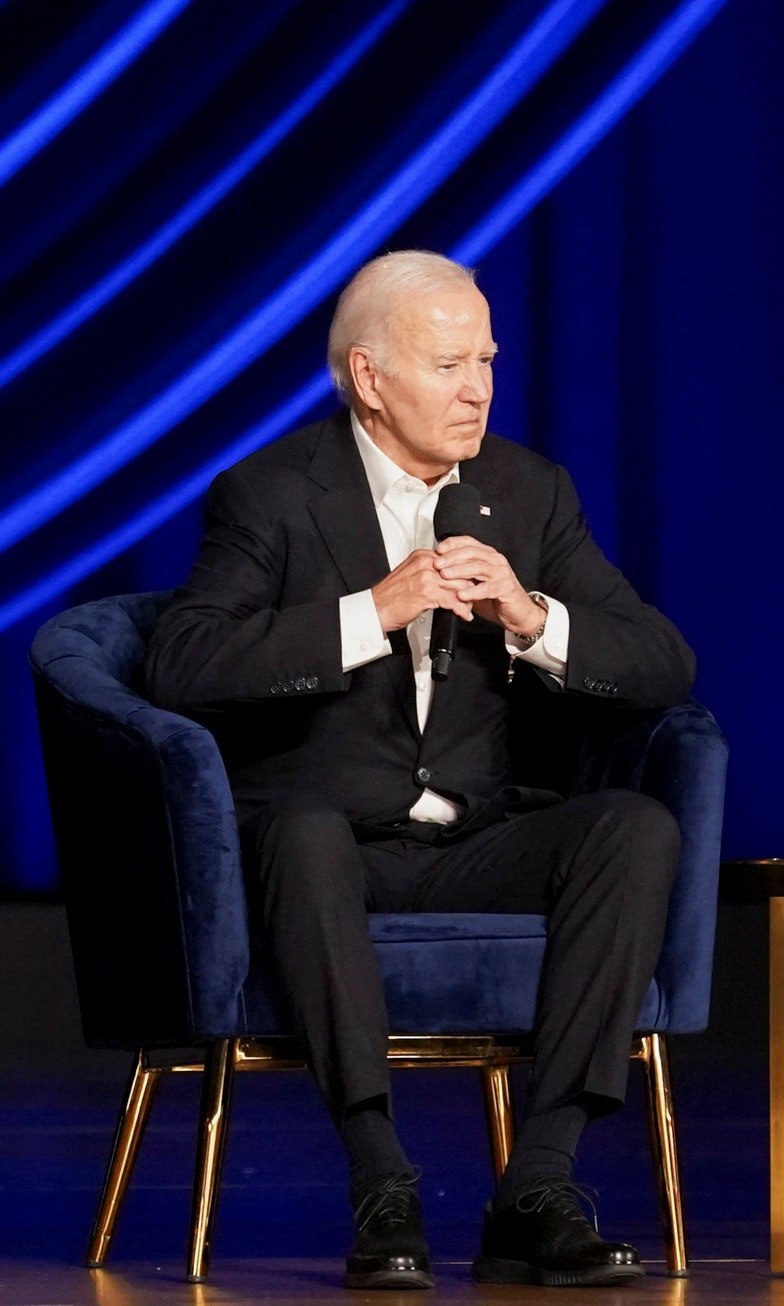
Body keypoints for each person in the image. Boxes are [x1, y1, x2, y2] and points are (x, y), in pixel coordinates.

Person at [144, 250, 696, 1290]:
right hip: (325, 845)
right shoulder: (271, 493)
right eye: (450, 364)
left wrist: (534, 618)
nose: (479, 386)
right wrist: (373, 613)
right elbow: (182, 660)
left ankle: (535, 1188)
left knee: (632, 827)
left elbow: (664, 663)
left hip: (470, 838)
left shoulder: (527, 492)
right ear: (367, 376)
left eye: (486, 358)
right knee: (302, 833)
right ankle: (380, 1181)